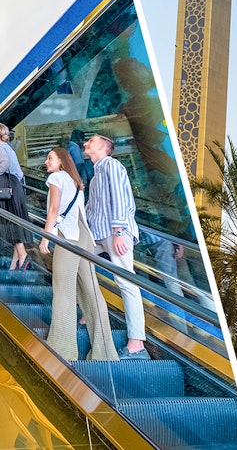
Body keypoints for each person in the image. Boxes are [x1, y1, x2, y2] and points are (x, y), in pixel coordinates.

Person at [38, 148, 118, 361]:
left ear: (61, 161)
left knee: (63, 289)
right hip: (84, 237)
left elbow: (53, 210)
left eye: (50, 158)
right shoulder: (76, 182)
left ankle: (62, 348)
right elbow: (80, 213)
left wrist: (46, 237)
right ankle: (105, 353)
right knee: (92, 291)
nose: (47, 162)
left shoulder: (56, 177)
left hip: (68, 235)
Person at [84, 133, 148, 359]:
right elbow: (91, 210)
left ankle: (137, 343)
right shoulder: (95, 175)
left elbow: (121, 198)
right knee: (78, 263)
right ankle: (89, 314)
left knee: (126, 282)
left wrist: (119, 232)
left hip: (115, 233)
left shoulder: (112, 166)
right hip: (99, 235)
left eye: (90, 142)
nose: (85, 144)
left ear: (102, 147)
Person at [0, 122, 30, 269]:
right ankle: (14, 264)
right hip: (15, 187)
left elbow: (4, 165)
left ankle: (23, 256)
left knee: (10, 222)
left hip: (6, 189)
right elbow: (19, 172)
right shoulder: (8, 148)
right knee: (15, 221)